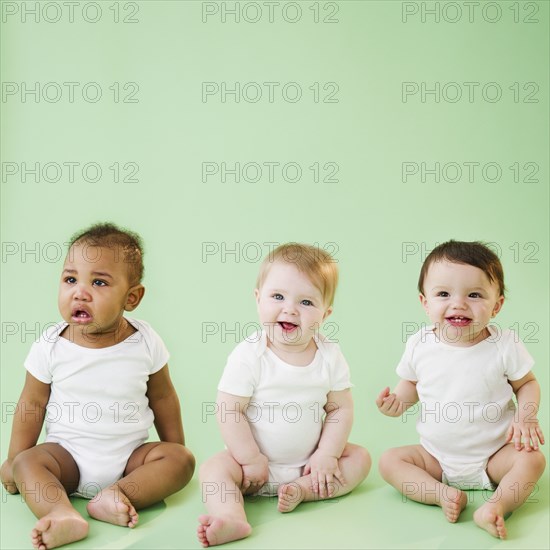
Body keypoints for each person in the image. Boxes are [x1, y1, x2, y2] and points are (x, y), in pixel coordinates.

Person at [1, 222, 195, 550]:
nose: (80, 292)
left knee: (184, 460)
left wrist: (171, 450)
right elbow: (32, 403)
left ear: (131, 297)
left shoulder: (145, 341)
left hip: (130, 460)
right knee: (27, 463)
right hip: (66, 459)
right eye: (70, 279)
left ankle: (117, 495)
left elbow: (162, 396)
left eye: (99, 282)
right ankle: (61, 514)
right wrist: (14, 460)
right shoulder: (50, 344)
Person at [197, 243, 371, 547]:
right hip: (250, 468)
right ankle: (232, 516)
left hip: (310, 465)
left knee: (360, 458)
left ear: (325, 313)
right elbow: (229, 409)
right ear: (257, 298)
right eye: (277, 296)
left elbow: (340, 409)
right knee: (213, 470)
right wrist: (250, 459)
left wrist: (327, 455)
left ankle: (304, 490)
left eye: (306, 302)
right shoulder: (250, 355)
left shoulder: (329, 355)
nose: (289, 309)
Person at [377, 240, 545, 539]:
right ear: (424, 302)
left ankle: (495, 506)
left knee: (533, 460)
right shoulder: (420, 344)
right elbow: (412, 385)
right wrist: (398, 402)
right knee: (390, 461)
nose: (458, 304)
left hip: (495, 456)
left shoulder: (503, 345)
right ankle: (440, 494)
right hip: (435, 458)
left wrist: (526, 416)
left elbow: (527, 384)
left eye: (475, 295)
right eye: (443, 294)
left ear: (497, 305)